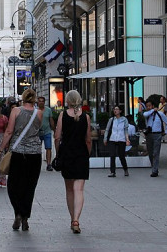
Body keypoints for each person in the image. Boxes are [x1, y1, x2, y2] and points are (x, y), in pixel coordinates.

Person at [0, 88, 43, 231]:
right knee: (30, 186)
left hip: (18, 152)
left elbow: (9, 131)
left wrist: (0, 150)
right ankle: (25, 217)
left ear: (23, 98)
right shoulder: (39, 113)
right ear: (34, 98)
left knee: (13, 185)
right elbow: (37, 130)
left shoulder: (16, 111)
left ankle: (18, 212)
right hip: (35, 153)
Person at [54, 90, 91, 234]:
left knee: (69, 189)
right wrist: (87, 154)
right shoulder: (86, 117)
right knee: (79, 190)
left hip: (67, 154)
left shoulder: (62, 115)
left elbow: (57, 137)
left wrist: (58, 153)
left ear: (67, 101)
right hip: (81, 154)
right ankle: (76, 219)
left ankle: (72, 219)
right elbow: (88, 139)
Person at [141, 98, 167, 177]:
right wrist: (152, 110)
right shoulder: (147, 114)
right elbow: (145, 114)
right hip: (149, 135)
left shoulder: (160, 114)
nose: (148, 107)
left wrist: (166, 132)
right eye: (147, 106)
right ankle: (153, 166)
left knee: (156, 153)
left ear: (153, 105)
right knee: (150, 152)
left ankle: (155, 170)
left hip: (157, 134)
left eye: (150, 106)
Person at [103, 105, 130, 177]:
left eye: (117, 109)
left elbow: (126, 130)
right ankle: (112, 172)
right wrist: (105, 138)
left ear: (120, 111)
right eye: (114, 109)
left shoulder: (124, 119)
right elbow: (107, 129)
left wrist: (127, 139)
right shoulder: (112, 120)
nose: (115, 110)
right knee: (112, 155)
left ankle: (125, 169)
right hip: (113, 138)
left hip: (121, 139)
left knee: (121, 155)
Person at [37, 96, 55, 171]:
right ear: (37, 102)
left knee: (48, 148)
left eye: (42, 101)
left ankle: (48, 164)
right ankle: (37, 164)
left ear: (44, 102)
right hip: (37, 132)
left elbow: (51, 120)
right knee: (37, 149)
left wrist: (54, 130)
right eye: (40, 101)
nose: (41, 102)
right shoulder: (35, 110)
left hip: (47, 131)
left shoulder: (48, 110)